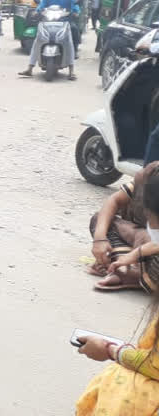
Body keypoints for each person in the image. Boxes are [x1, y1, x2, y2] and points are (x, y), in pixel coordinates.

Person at [75, 170, 159, 414]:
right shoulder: (148, 175)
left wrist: (112, 350)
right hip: (142, 250)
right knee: (102, 222)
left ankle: (135, 274)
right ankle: (130, 270)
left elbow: (154, 365)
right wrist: (101, 240)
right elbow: (111, 203)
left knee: (118, 383)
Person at [87, 162, 159, 291]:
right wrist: (99, 239)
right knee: (99, 220)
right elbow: (114, 200)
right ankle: (123, 268)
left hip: (152, 249)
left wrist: (134, 255)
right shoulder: (150, 174)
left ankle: (131, 272)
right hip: (144, 242)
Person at [18, 0, 79, 80]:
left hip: (64, 22)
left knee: (69, 42)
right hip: (47, 21)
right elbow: (41, 6)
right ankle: (29, 68)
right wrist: (37, 12)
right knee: (37, 41)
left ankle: (71, 70)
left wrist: (74, 12)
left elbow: (75, 9)